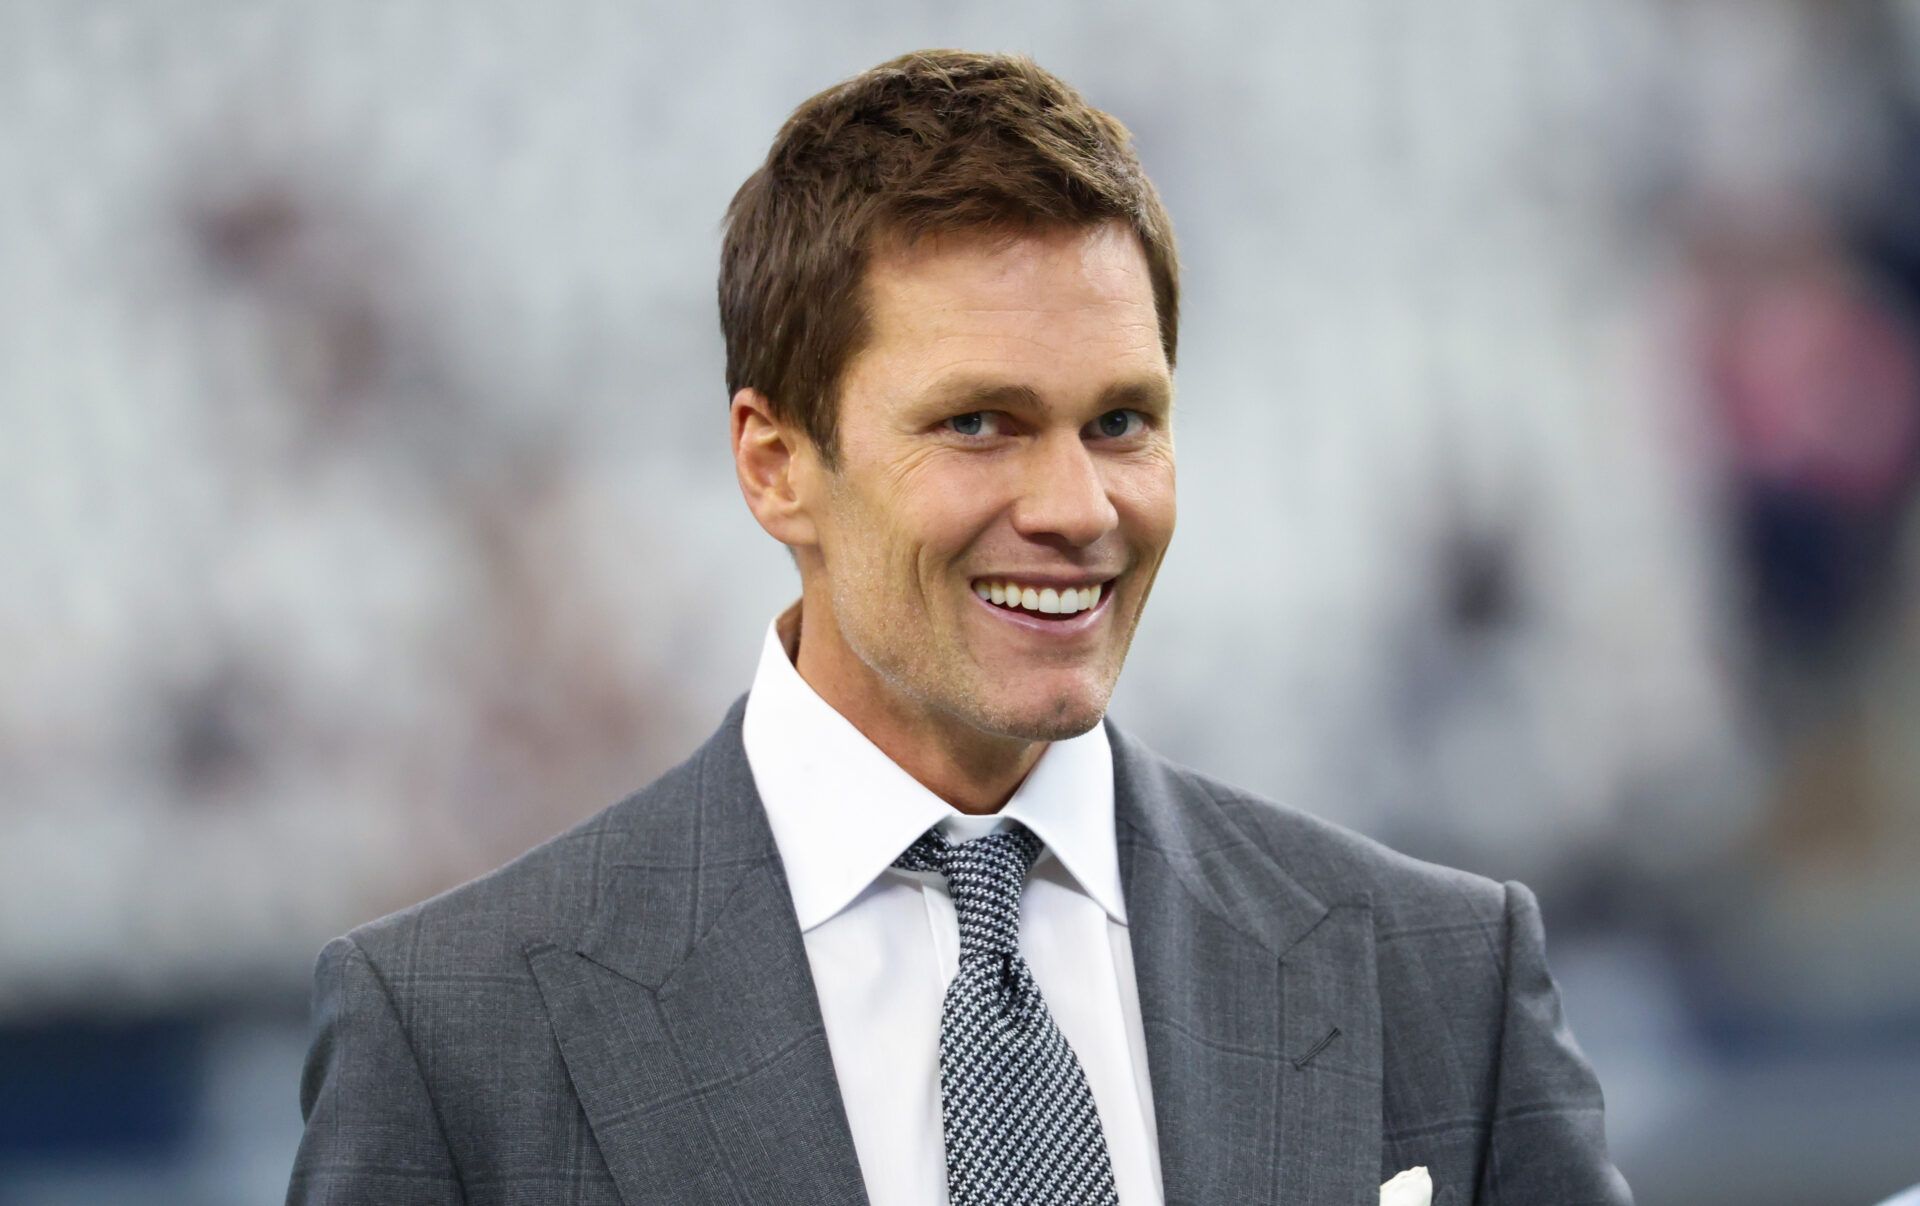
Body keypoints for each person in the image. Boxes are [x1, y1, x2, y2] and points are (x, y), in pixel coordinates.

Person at [287, 50, 1632, 1205]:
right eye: (978, 422)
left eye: (1121, 421)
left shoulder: (1444, 981)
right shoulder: (454, 1037)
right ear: (776, 464)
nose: (1075, 506)